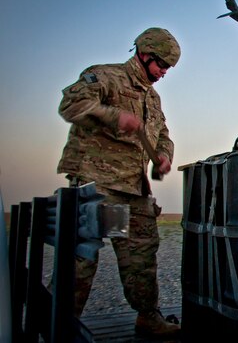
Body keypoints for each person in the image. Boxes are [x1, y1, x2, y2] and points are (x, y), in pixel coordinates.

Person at [57, 27, 181, 338]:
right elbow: (70, 106)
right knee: (81, 259)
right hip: (97, 185)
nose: (164, 73)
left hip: (133, 190)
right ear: (144, 54)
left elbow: (163, 135)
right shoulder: (105, 77)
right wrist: (114, 116)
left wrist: (163, 156)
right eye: (161, 65)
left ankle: (147, 317)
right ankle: (60, 325)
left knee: (141, 257)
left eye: (168, 68)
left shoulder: (152, 98)